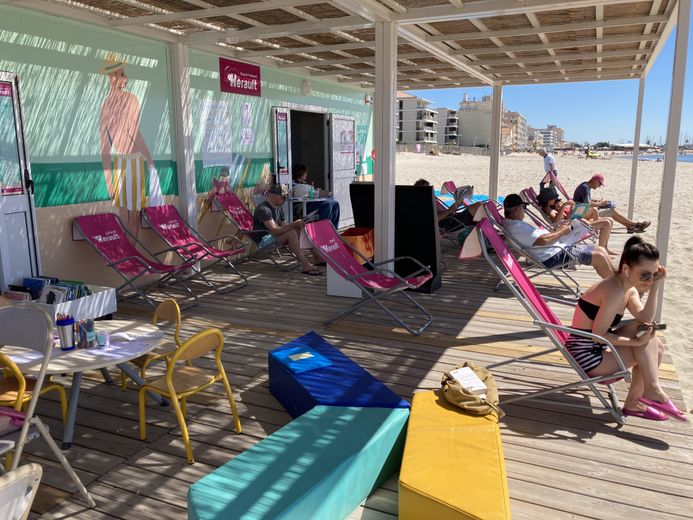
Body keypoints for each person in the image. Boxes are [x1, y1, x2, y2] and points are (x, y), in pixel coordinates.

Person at [566, 237, 687, 422]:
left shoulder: (626, 288)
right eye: (645, 275)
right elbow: (598, 336)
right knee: (648, 345)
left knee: (651, 338)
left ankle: (641, 397)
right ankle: (647, 393)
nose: (649, 280)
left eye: (653, 274)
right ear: (626, 269)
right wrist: (634, 342)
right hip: (587, 355)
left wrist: (655, 287)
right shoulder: (613, 291)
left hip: (595, 347)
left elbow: (646, 317)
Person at [99, 53, 163, 237]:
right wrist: (110, 183)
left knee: (130, 216)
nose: (124, 78)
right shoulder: (118, 103)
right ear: (110, 77)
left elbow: (132, 133)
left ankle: (132, 259)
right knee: (130, 218)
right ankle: (132, 260)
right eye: (119, 74)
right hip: (127, 161)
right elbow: (109, 145)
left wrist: (149, 159)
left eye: (123, 74)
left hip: (125, 161)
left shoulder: (121, 101)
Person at [503, 194, 615, 279]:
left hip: (558, 248)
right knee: (599, 257)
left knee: (599, 249)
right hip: (553, 256)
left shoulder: (513, 224)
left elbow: (541, 239)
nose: (524, 211)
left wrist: (558, 231)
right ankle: (619, 286)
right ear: (517, 209)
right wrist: (563, 232)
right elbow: (543, 241)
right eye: (524, 208)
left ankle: (619, 277)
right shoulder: (516, 228)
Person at [252, 184, 323, 276]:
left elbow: (284, 226)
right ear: (273, 195)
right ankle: (306, 265)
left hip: (274, 236)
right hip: (263, 240)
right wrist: (293, 224)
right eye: (283, 197)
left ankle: (318, 258)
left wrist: (296, 225)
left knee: (301, 229)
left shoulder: (279, 208)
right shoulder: (264, 209)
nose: (285, 199)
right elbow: (275, 231)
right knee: (291, 233)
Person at [537, 186, 615, 254]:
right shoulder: (549, 210)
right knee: (606, 223)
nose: (555, 199)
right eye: (554, 198)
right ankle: (601, 250)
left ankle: (605, 248)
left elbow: (565, 218)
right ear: (548, 200)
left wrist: (572, 210)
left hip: (574, 224)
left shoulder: (552, 208)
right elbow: (556, 222)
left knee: (610, 220)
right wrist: (564, 206)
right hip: (572, 229)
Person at [573, 174, 650, 233]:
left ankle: (631, 225)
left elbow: (586, 200)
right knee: (611, 211)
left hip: (581, 211)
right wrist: (600, 204)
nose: (599, 186)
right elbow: (588, 203)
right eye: (599, 184)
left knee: (611, 209)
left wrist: (598, 201)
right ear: (595, 181)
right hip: (581, 214)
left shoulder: (585, 185)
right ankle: (634, 225)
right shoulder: (585, 188)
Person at [413, 179, 482, 231]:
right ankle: (483, 235)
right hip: (449, 223)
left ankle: (482, 235)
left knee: (480, 208)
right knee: (479, 207)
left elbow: (446, 211)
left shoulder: (431, 200)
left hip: (452, 217)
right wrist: (449, 210)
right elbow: (434, 220)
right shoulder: (422, 205)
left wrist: (456, 205)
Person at [292, 164, 340, 228]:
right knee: (326, 205)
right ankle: (323, 230)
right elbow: (303, 193)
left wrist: (318, 192)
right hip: (301, 206)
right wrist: (315, 192)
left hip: (310, 202)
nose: (306, 174)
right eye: (306, 173)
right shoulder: (293, 184)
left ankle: (333, 229)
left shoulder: (303, 184)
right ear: (301, 173)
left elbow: (310, 193)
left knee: (335, 203)